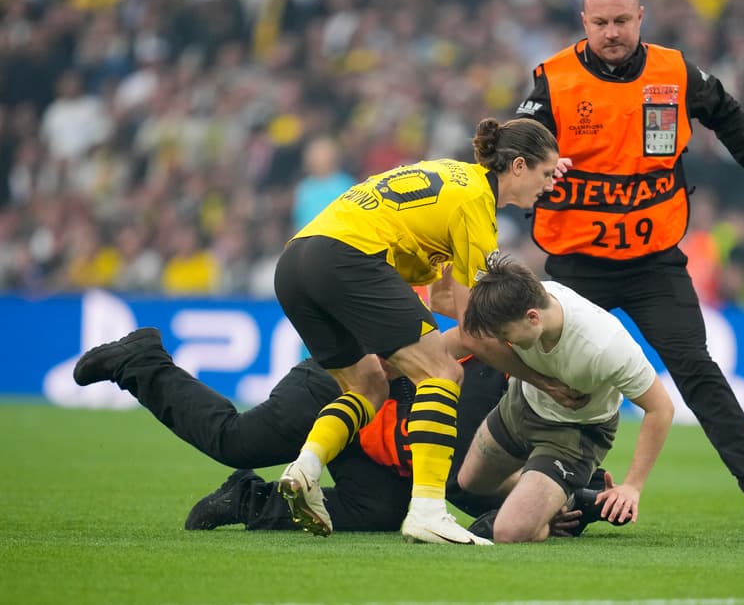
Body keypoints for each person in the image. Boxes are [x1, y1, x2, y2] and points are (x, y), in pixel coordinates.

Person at [513, 0, 744, 525]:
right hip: (576, 265)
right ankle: (533, 491)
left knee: (695, 366)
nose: (612, 32)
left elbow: (729, 115)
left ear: (641, 17)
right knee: (534, 375)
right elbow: (515, 145)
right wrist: (543, 162)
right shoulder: (555, 79)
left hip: (652, 263)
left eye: (622, 20)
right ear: (584, 22)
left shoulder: (675, 71)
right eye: (600, 23)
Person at [273, 117, 574, 544]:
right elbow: (472, 336)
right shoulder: (476, 205)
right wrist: (545, 380)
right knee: (443, 373)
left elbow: (441, 301)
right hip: (349, 258)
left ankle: (305, 468)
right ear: (519, 166)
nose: (548, 186)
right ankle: (429, 510)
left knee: (368, 386)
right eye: (546, 174)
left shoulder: (451, 175)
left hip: (296, 262)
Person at [71, 326, 511, 531]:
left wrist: (552, 500)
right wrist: (530, 507)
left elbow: (464, 478)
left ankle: (248, 500)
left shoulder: (513, 389)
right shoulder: (498, 376)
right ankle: (140, 360)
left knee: (380, 509)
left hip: (374, 435)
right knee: (236, 441)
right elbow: (462, 480)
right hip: (344, 384)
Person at [457, 255, 675, 543]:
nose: (502, 340)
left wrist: (632, 486)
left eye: (504, 334)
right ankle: (566, 501)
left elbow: (661, 408)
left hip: (574, 432)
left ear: (533, 317)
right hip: (522, 403)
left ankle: (543, 512)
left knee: (508, 532)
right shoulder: (521, 306)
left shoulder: (604, 345)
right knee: (469, 482)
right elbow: (471, 339)